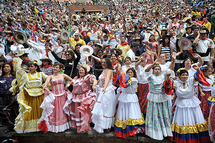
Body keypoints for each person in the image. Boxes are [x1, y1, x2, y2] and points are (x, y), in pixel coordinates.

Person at [170, 67, 211, 143]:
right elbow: (167, 86)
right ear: (180, 76)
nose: (185, 76)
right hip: (181, 104)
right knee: (182, 121)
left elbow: (198, 77)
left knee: (193, 120)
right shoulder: (176, 82)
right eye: (183, 75)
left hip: (191, 103)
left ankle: (194, 138)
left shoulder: (191, 80)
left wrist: (198, 70)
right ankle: (183, 138)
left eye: (186, 75)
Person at [13, 57, 47, 133]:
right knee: (30, 111)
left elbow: (49, 79)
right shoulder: (25, 75)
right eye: (29, 66)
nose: (30, 68)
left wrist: (44, 85)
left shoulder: (40, 74)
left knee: (40, 111)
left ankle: (40, 126)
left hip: (40, 96)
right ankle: (30, 127)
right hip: (29, 96)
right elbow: (19, 82)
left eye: (32, 66)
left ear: (36, 67)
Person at [38, 63, 72, 133]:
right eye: (54, 67)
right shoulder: (50, 76)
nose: (55, 69)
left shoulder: (63, 75)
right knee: (54, 112)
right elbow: (46, 82)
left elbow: (72, 80)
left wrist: (67, 85)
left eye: (56, 67)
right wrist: (45, 86)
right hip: (54, 96)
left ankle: (63, 126)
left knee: (62, 111)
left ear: (60, 69)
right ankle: (55, 127)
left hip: (63, 95)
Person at [144, 61, 173, 140]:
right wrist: (153, 64)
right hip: (153, 97)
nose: (157, 70)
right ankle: (155, 133)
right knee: (154, 114)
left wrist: (167, 77)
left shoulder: (164, 75)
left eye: (158, 69)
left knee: (163, 114)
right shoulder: (150, 76)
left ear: (161, 70)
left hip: (162, 97)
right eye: (155, 69)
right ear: (153, 70)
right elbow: (146, 70)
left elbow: (167, 83)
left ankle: (165, 132)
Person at [63, 66, 97, 133]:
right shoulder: (76, 78)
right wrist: (67, 85)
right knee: (77, 112)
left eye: (82, 70)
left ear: (85, 71)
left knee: (83, 112)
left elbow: (94, 80)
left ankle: (85, 127)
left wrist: (94, 85)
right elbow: (71, 82)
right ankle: (79, 127)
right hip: (76, 98)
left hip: (84, 97)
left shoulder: (87, 77)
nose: (81, 71)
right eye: (80, 70)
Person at [114, 67, 145, 138]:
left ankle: (132, 129)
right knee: (123, 112)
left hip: (131, 97)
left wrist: (121, 74)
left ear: (134, 74)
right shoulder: (124, 79)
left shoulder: (134, 80)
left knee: (131, 111)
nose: (130, 73)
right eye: (128, 72)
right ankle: (123, 129)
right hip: (124, 97)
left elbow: (126, 82)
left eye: (131, 72)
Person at [92, 58, 116, 133]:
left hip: (107, 91)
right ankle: (101, 125)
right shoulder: (104, 71)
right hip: (101, 90)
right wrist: (94, 83)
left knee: (106, 108)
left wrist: (105, 88)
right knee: (102, 108)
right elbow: (99, 80)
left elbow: (107, 79)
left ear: (108, 63)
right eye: (102, 62)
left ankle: (107, 126)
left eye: (104, 62)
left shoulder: (109, 70)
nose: (103, 64)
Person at [0, 62, 17, 132]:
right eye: (4, 67)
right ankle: (6, 127)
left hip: (12, 97)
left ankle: (14, 126)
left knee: (12, 112)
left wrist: (16, 95)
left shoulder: (14, 77)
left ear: (10, 68)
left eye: (7, 66)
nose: (6, 68)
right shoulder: (0, 77)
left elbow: (17, 87)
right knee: (3, 112)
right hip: (2, 97)